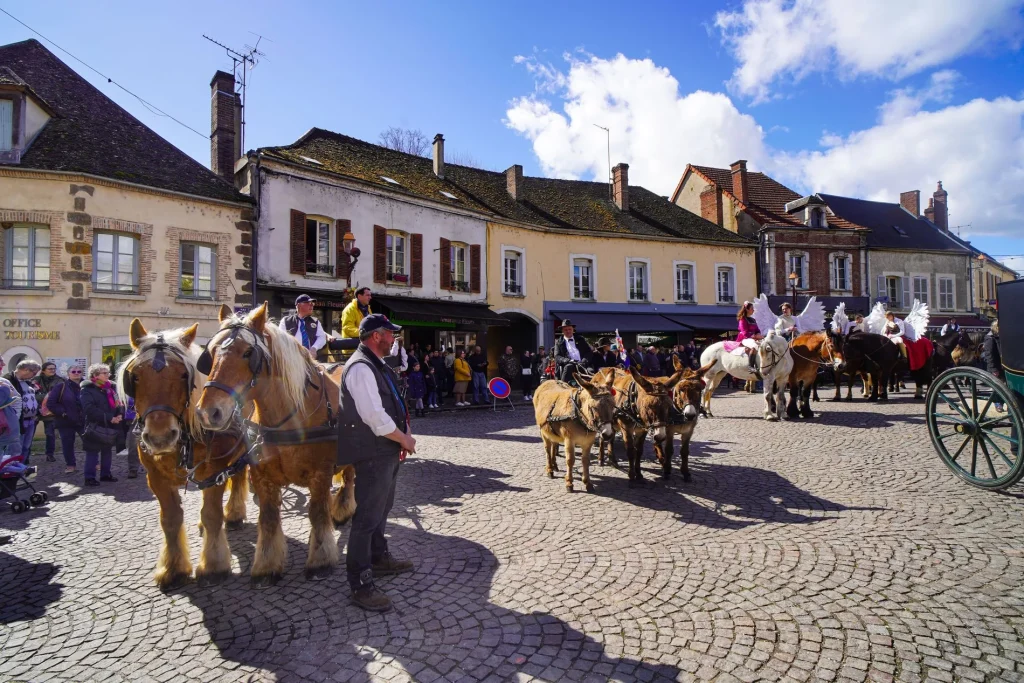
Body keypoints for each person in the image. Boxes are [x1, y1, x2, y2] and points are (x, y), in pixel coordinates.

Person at [337, 313, 416, 612]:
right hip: (372, 453)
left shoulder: (376, 365)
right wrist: (403, 439)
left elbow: (392, 403)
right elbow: (374, 416)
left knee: (382, 508)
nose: (393, 338)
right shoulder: (360, 367)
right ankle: (360, 582)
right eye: (389, 333)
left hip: (386, 450)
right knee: (366, 518)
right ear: (375, 337)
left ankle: (379, 557)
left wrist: (404, 432)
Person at [79, 363, 123, 487]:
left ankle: (106, 474)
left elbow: (118, 403)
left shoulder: (111, 388)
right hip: (95, 425)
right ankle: (90, 477)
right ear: (95, 375)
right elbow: (89, 409)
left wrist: (119, 414)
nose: (108, 375)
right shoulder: (87, 389)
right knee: (92, 452)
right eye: (104, 373)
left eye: (108, 372)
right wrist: (110, 418)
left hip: (110, 425)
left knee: (107, 451)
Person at [45, 365, 84, 473]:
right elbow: (51, 403)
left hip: (83, 420)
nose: (76, 373)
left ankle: (94, 462)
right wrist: (63, 413)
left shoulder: (86, 386)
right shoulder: (61, 386)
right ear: (68, 374)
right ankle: (70, 465)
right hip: (66, 420)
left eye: (79, 371)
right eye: (73, 371)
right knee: (67, 443)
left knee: (89, 442)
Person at [3, 360, 41, 465]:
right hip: (18, 421)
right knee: (14, 449)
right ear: (25, 370)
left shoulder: (27, 382)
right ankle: (12, 474)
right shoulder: (8, 380)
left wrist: (36, 413)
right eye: (33, 373)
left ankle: (21, 470)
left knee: (26, 448)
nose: (34, 376)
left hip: (31, 421)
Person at [280, 294, 327, 359]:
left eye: (312, 303)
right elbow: (281, 339)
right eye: (308, 303)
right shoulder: (286, 321)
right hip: (291, 358)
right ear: (298, 305)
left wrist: (314, 348)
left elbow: (322, 338)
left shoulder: (315, 321)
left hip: (311, 359)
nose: (311, 305)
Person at [36, 362, 63, 462]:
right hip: (36, 410)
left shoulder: (60, 380)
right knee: (28, 434)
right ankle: (25, 456)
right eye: (50, 369)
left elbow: (60, 396)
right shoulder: (36, 380)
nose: (52, 370)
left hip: (51, 411)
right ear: (43, 370)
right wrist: (46, 397)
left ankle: (50, 454)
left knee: (50, 434)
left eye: (54, 369)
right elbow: (32, 395)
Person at [0, 366, 22, 459]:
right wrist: (5, 389)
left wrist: (15, 416)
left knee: (11, 456)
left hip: (8, 429)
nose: (3, 364)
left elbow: (17, 399)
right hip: (4, 430)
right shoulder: (4, 385)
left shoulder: (4, 381)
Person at [737, 301, 763, 372]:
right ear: (747, 309)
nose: (753, 310)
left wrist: (758, 334)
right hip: (744, 338)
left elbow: (757, 329)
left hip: (753, 338)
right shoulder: (742, 319)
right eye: (752, 308)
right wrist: (755, 336)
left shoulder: (753, 319)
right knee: (754, 346)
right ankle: (750, 366)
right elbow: (745, 332)